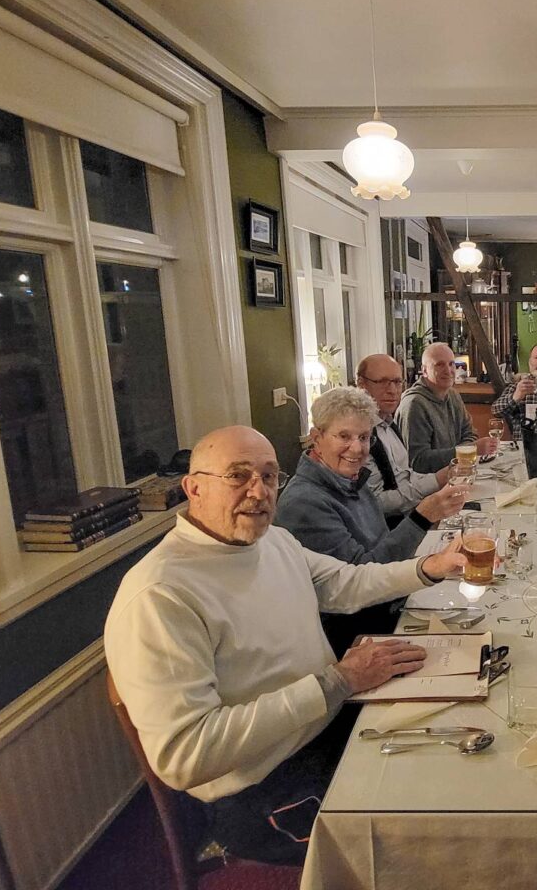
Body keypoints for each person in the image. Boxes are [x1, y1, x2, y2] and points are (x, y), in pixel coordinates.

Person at [104, 425, 467, 864]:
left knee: (454, 756)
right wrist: (337, 681)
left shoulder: (272, 540)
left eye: (270, 476)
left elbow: (345, 583)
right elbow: (185, 755)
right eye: (238, 476)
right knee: (434, 836)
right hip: (264, 790)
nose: (258, 492)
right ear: (193, 488)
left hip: (328, 727)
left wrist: (430, 566)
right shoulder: (161, 594)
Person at [275, 386, 465, 564]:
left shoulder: (352, 480)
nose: (357, 449)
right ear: (316, 438)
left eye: (364, 437)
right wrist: (422, 517)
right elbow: (362, 578)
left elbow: (382, 546)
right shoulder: (304, 503)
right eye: (344, 436)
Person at [356, 353, 452, 522]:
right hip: (392, 530)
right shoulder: (359, 436)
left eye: (397, 382)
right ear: (361, 385)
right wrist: (436, 481)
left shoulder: (389, 424)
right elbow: (375, 503)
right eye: (382, 382)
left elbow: (406, 475)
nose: (392, 390)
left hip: (413, 515)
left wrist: (442, 477)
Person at [396, 342, 497, 471]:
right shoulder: (414, 405)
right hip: (428, 487)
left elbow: (470, 433)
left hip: (456, 474)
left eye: (451, 364)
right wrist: (468, 451)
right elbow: (418, 461)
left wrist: (465, 451)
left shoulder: (453, 394)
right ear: (425, 370)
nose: (448, 370)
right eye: (439, 365)